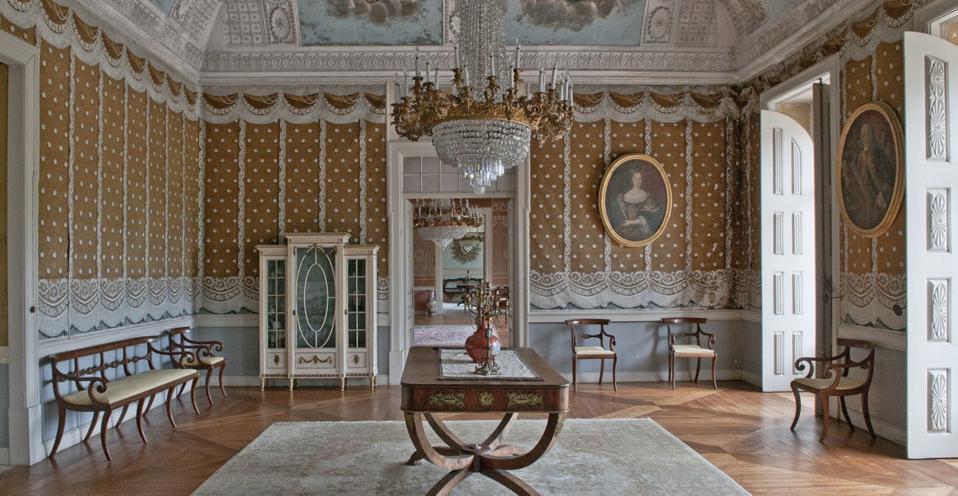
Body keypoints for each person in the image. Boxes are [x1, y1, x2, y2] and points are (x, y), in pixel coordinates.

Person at [842, 119, 894, 230]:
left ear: (872, 136)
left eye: (868, 134)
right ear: (861, 138)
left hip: (880, 197)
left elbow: (889, 178)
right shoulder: (856, 159)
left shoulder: (880, 155)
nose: (866, 137)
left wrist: (882, 192)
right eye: (864, 135)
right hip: (863, 198)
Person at [614, 165, 663, 241]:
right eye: (636, 179)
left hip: (641, 231)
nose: (638, 181)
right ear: (631, 180)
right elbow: (618, 217)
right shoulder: (621, 197)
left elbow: (651, 218)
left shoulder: (647, 197)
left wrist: (630, 223)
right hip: (623, 232)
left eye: (640, 179)